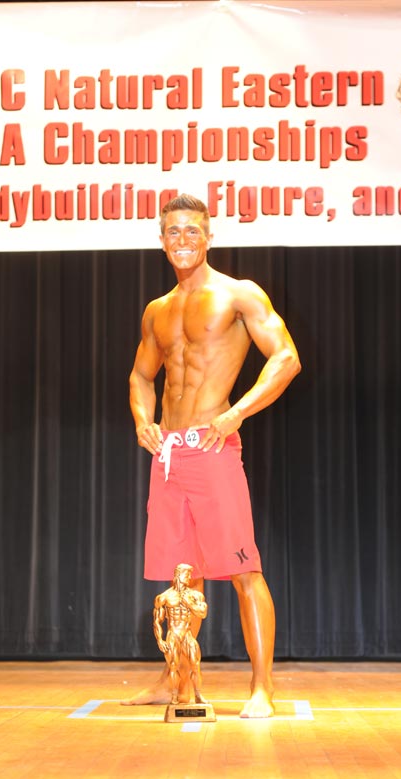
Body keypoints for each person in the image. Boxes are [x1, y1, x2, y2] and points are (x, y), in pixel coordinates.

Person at [124, 193, 301, 717]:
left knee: (244, 569)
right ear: (161, 240)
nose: (182, 240)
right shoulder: (157, 310)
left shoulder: (237, 294)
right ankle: (172, 678)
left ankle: (262, 688)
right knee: (182, 576)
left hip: (213, 446)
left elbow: (286, 358)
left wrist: (237, 413)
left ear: (208, 236)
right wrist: (143, 420)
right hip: (170, 455)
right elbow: (141, 376)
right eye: (173, 231)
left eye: (192, 230)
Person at [154, 563, 208, 706]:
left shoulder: (195, 595)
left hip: (187, 635)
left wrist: (189, 604)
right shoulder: (164, 597)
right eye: (187, 574)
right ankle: (174, 696)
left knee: (195, 665)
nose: (189, 578)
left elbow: (203, 613)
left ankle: (198, 695)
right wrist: (160, 640)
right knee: (173, 666)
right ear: (178, 574)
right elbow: (157, 621)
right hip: (173, 634)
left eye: (190, 574)